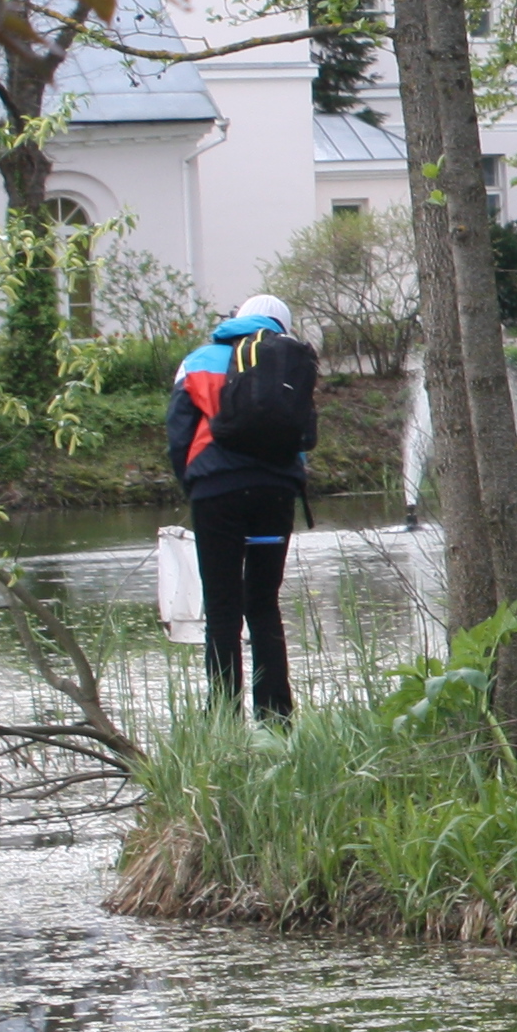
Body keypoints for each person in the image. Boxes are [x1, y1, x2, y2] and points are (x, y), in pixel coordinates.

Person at [166, 289, 317, 721]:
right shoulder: (291, 362)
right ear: (282, 327)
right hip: (275, 494)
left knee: (222, 607)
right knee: (264, 603)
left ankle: (223, 719)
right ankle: (276, 720)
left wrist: (190, 483)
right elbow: (302, 439)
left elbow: (179, 431)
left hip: (216, 493)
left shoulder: (199, 360)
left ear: (239, 318)